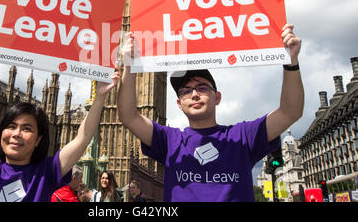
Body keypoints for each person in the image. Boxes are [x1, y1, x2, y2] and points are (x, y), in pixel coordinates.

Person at [117, 24, 304, 202]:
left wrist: (291, 62)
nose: (194, 94)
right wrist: (129, 66)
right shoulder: (169, 140)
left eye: (202, 88)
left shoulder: (243, 136)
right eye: (186, 91)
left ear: (217, 97)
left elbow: (290, 112)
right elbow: (128, 116)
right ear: (179, 104)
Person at [0, 35, 119, 202]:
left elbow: (83, 138)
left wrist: (100, 97)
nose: (17, 133)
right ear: (1, 132)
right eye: (11, 126)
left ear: (38, 140)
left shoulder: (46, 173)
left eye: (26, 128)